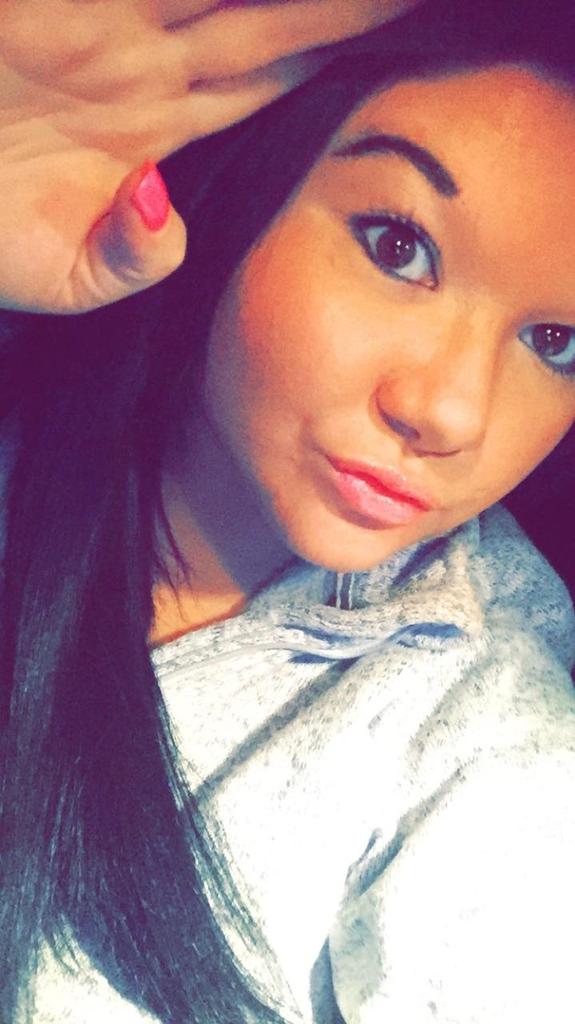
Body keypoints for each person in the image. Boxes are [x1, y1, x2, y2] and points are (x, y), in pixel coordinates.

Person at [2, 0, 575, 1022]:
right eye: (397, 245)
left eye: (557, 342)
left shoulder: (482, 740)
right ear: (248, 180)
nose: (450, 410)